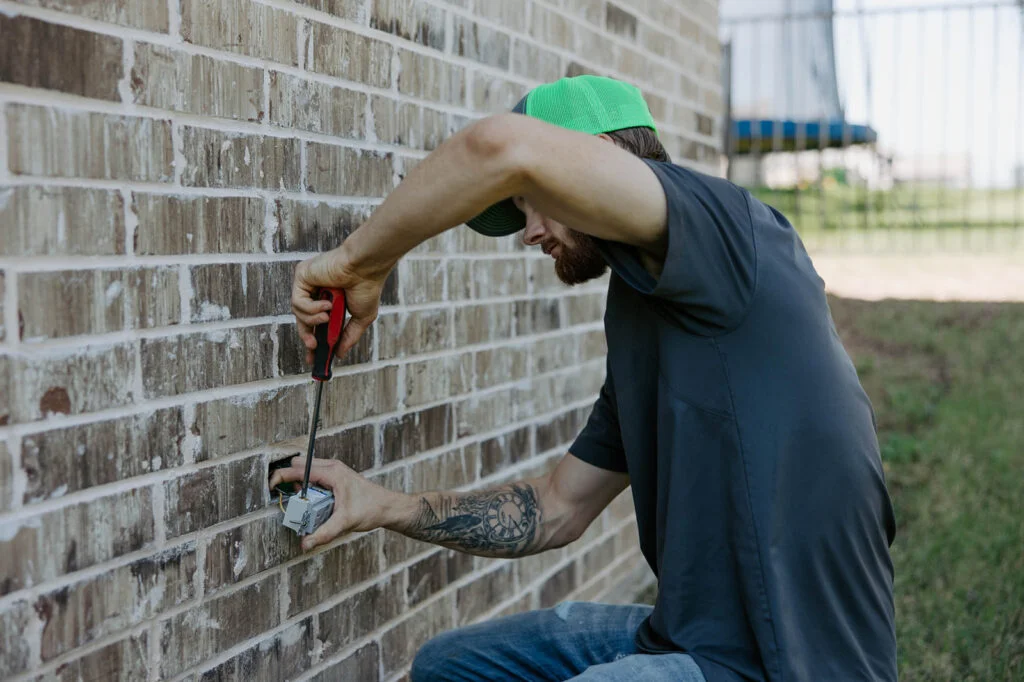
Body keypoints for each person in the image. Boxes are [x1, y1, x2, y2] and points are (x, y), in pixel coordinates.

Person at [270, 75, 897, 682]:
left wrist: (359, 263)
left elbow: (498, 146)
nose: (529, 233)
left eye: (529, 201)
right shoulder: (639, 307)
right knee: (447, 667)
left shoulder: (729, 229)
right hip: (695, 638)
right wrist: (382, 506)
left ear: (593, 161)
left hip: (793, 663)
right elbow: (555, 508)